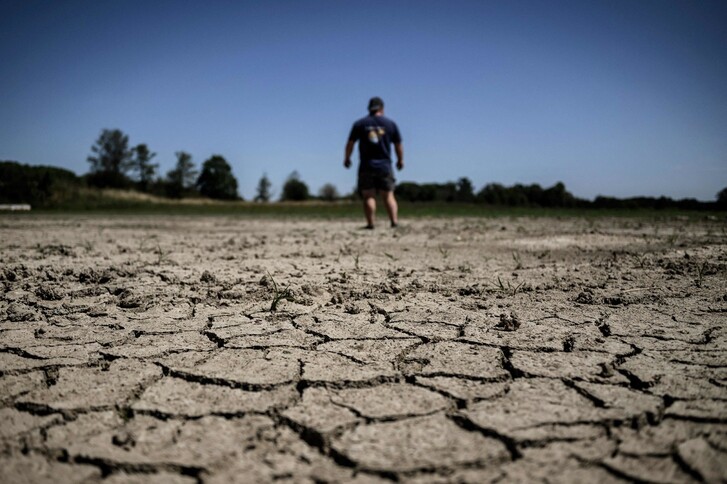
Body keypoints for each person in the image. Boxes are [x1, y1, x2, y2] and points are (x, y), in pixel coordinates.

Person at [344, 96, 404, 229]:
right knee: (388, 194)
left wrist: (347, 158)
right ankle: (394, 221)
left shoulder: (360, 124)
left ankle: (370, 223)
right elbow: (398, 144)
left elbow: (350, 143)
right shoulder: (390, 124)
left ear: (369, 108)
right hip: (385, 165)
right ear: (382, 108)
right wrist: (400, 160)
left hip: (366, 165)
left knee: (368, 195)